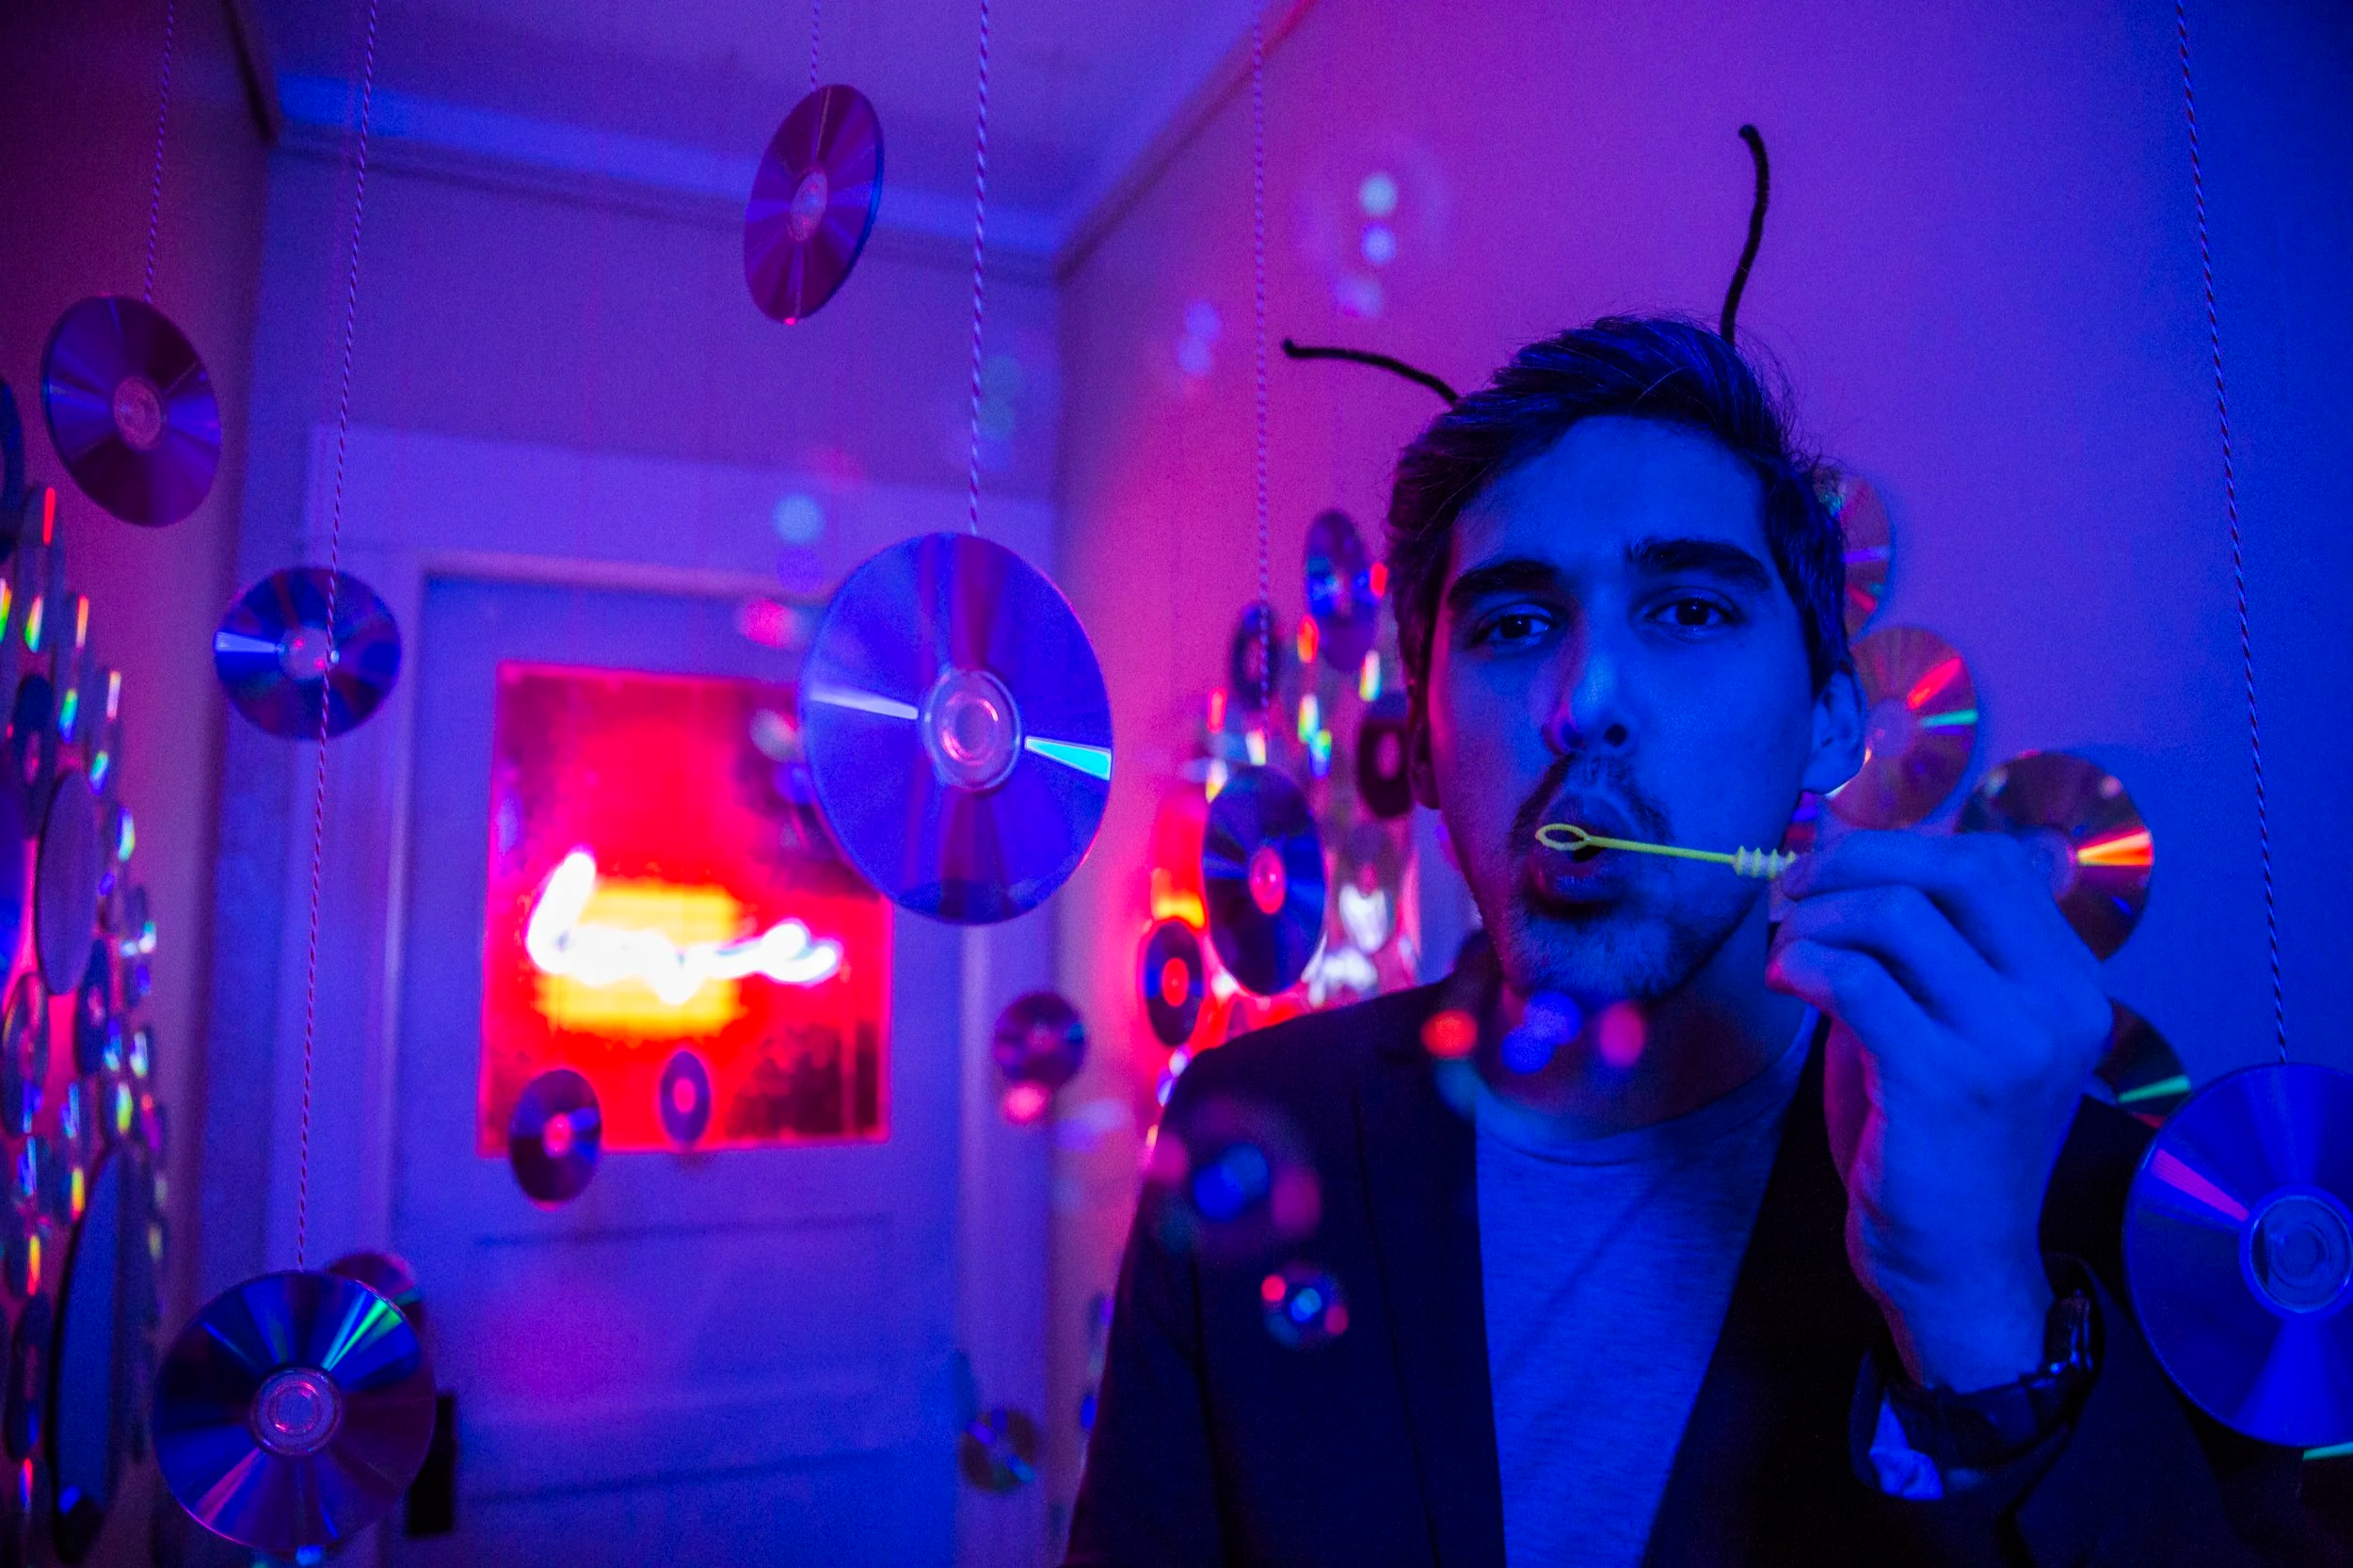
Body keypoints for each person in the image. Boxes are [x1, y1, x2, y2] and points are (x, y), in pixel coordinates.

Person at [1064, 317, 2332, 1567]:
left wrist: (1978, 1314)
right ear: (1430, 753)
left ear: (1831, 725)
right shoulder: (1251, 1113)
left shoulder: (2115, 1206)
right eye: (1512, 626)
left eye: (1686, 609)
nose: (1586, 702)